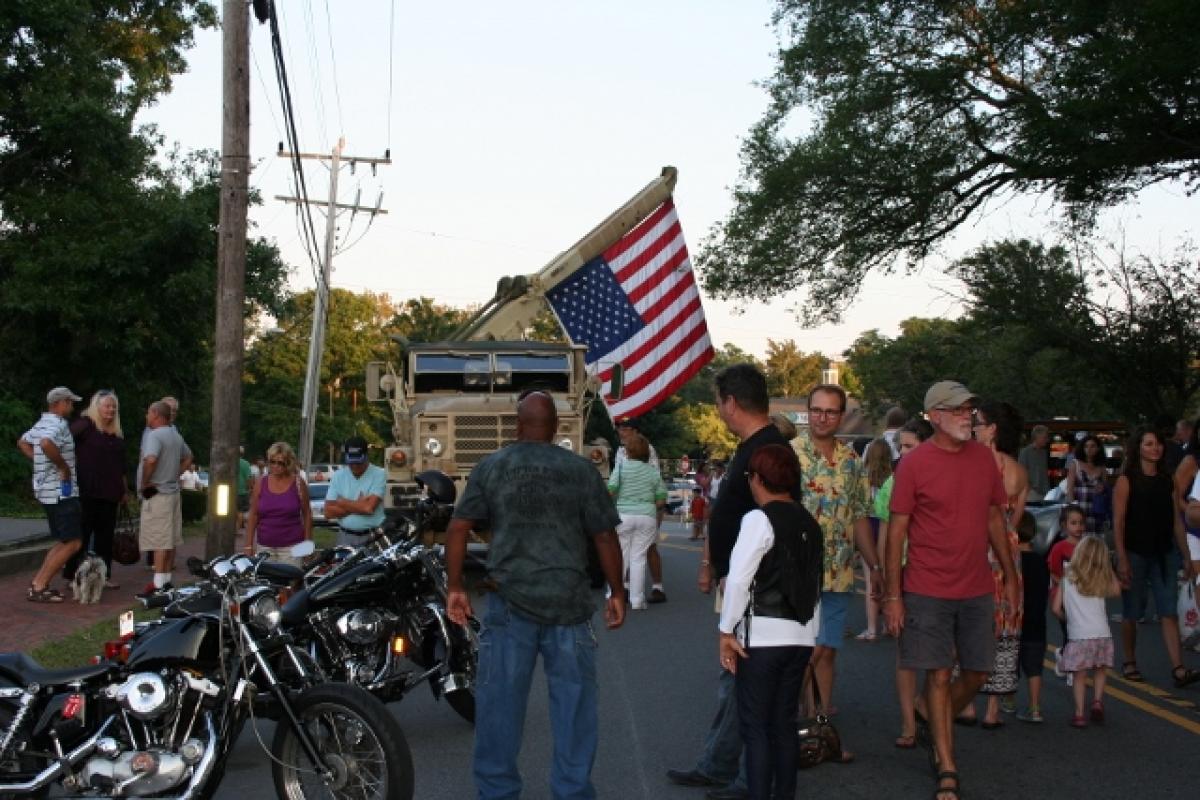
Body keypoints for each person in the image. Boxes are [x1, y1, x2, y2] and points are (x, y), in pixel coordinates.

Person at [442, 391, 625, 800]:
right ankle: (572, 792)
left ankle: (497, 793)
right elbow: (604, 536)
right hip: (569, 606)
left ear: (517, 425)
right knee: (574, 712)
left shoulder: (492, 466)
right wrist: (618, 591)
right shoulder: (581, 470)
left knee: (499, 710)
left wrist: (455, 587)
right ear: (556, 428)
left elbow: (458, 528)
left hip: (509, 605)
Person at [884, 380, 1019, 800]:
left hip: (976, 585)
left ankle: (929, 712)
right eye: (958, 410)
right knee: (939, 673)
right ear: (935, 416)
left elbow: (994, 519)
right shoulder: (914, 465)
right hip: (927, 587)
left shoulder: (982, 459)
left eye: (969, 410)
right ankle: (947, 765)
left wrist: (1011, 576)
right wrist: (893, 596)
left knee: (979, 672)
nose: (967, 416)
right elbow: (896, 532)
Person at [668, 363, 796, 798]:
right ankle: (719, 765)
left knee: (747, 681)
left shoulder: (767, 452)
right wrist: (710, 563)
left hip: (758, 588)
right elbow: (728, 514)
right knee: (735, 679)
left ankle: (745, 778)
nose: (719, 411)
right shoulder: (752, 447)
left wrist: (738, 583)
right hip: (740, 580)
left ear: (731, 402)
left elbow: (776, 521)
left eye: (719, 403)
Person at [718, 444, 824, 800]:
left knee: (756, 727)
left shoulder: (758, 520)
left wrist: (726, 630)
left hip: (762, 636)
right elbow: (814, 584)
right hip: (801, 636)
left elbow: (738, 580)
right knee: (783, 724)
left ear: (758, 479)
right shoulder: (810, 522)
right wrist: (812, 636)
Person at [791, 384, 883, 721]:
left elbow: (860, 517)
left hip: (838, 572)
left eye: (830, 412)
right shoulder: (789, 456)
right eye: (816, 410)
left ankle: (818, 723)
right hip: (796, 573)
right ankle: (790, 716)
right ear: (807, 412)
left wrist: (875, 567)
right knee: (803, 651)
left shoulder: (852, 462)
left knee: (827, 650)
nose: (822, 418)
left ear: (841, 416)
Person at [1112, 426, 1200, 687]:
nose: (1155, 448)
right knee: (1132, 611)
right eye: (1148, 444)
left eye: (1158, 443)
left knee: (1168, 610)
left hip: (1164, 553)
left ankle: (1178, 668)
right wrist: (1122, 557)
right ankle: (1129, 661)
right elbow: (1119, 521)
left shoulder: (1168, 479)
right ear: (1138, 447)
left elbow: (1176, 521)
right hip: (1135, 552)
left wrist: (1186, 555)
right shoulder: (1127, 480)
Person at [961, 399, 1027, 728]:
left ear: (992, 429)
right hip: (1007, 551)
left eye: (978, 423)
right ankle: (993, 709)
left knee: (971, 621)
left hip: (976, 546)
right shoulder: (1017, 471)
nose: (973, 428)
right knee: (1004, 624)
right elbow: (1015, 520)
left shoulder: (971, 464)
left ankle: (967, 704)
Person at [877, 416, 932, 749]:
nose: (904, 453)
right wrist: (885, 578)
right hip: (904, 573)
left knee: (942, 654)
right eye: (901, 447)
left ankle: (928, 708)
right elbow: (885, 534)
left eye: (910, 446)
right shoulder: (892, 483)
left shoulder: (941, 478)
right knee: (907, 653)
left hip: (936, 572)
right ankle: (909, 722)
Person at [17, 387, 85, 603]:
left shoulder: (42, 422)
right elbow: (46, 443)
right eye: (70, 402)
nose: (72, 406)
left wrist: (41, 463)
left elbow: (23, 442)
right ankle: (39, 586)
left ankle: (39, 583)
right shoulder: (58, 424)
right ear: (60, 403)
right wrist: (62, 467)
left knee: (64, 540)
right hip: (61, 492)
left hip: (47, 491)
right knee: (73, 542)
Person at [1052, 535, 1120, 727]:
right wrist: (1109, 569)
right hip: (1102, 634)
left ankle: (1079, 714)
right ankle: (1097, 701)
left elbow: (1055, 608)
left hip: (1079, 635)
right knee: (1100, 669)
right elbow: (1117, 591)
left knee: (1080, 676)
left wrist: (1067, 619)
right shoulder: (1101, 577)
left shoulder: (1067, 578)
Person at [63, 390, 127, 589]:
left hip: (110, 492)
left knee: (105, 538)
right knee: (82, 534)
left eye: (113, 406)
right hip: (87, 490)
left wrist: (124, 490)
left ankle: (102, 576)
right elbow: (64, 442)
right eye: (107, 405)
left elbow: (121, 465)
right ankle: (73, 575)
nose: (111, 409)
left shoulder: (116, 433)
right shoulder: (85, 425)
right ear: (97, 407)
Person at [137, 400, 192, 596]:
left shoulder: (155, 435)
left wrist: (145, 481)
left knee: (160, 540)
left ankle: (158, 584)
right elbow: (189, 456)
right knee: (170, 539)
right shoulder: (175, 435)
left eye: (148, 413)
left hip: (159, 493)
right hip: (173, 492)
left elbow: (151, 459)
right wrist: (175, 474)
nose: (147, 416)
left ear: (155, 414)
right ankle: (167, 579)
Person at [608, 431, 666, 609]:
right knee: (639, 558)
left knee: (621, 556)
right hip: (647, 517)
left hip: (623, 515)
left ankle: (614, 594)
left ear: (627, 451)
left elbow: (611, 490)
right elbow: (661, 500)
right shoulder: (653, 472)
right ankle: (637, 600)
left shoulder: (621, 468)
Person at [246, 442, 312, 567]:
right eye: (272, 462)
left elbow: (307, 514)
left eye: (280, 463)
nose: (275, 466)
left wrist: (307, 544)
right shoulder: (261, 483)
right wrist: (248, 545)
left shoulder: (298, 483)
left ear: (288, 463)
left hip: (293, 547)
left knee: (290, 579)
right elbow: (253, 515)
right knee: (266, 579)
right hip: (264, 547)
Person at [1013, 511, 1048, 723]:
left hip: (1015, 621)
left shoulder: (1012, 561)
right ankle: (1035, 707)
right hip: (1037, 622)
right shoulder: (1040, 561)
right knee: (1034, 668)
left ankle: (1008, 700)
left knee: (1011, 663)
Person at [856, 437, 892, 641]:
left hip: (868, 528)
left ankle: (871, 628)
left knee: (871, 577)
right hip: (886, 527)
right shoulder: (892, 479)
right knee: (889, 575)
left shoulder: (863, 479)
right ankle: (888, 623)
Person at [323, 436, 386, 545]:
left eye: (359, 462)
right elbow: (328, 512)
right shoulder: (338, 475)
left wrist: (342, 502)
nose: (355, 466)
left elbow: (368, 508)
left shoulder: (379, 474)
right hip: (345, 536)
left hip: (372, 537)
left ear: (366, 456)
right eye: (351, 462)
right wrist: (358, 505)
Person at [1048, 504, 1087, 646]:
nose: (1078, 527)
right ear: (1064, 525)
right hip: (1065, 598)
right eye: (1074, 523)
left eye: (1081, 523)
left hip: (1084, 596)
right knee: (1070, 635)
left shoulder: (1087, 546)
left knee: (1083, 635)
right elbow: (1053, 573)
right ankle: (1067, 656)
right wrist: (1065, 587)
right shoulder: (1059, 548)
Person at [1065, 434, 1110, 536]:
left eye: (1092, 446)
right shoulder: (1075, 464)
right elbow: (1069, 490)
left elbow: (1105, 488)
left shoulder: (1102, 467)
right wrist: (1073, 510)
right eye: (1086, 446)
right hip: (1080, 508)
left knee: (1096, 539)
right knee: (1079, 537)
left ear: (1098, 448)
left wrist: (1102, 488)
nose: (1089, 449)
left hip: (1096, 509)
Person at [1018, 424, 1051, 499]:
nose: (1047, 440)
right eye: (1045, 437)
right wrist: (1029, 489)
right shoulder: (1025, 452)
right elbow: (1021, 473)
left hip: (1045, 492)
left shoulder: (1044, 453)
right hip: (1031, 493)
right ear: (1037, 437)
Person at [236, 446, 254, 532]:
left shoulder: (230, 462)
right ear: (243, 454)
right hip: (242, 492)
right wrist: (250, 489)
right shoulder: (246, 464)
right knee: (240, 511)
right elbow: (249, 479)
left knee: (234, 511)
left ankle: (235, 529)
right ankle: (237, 530)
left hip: (230, 491)